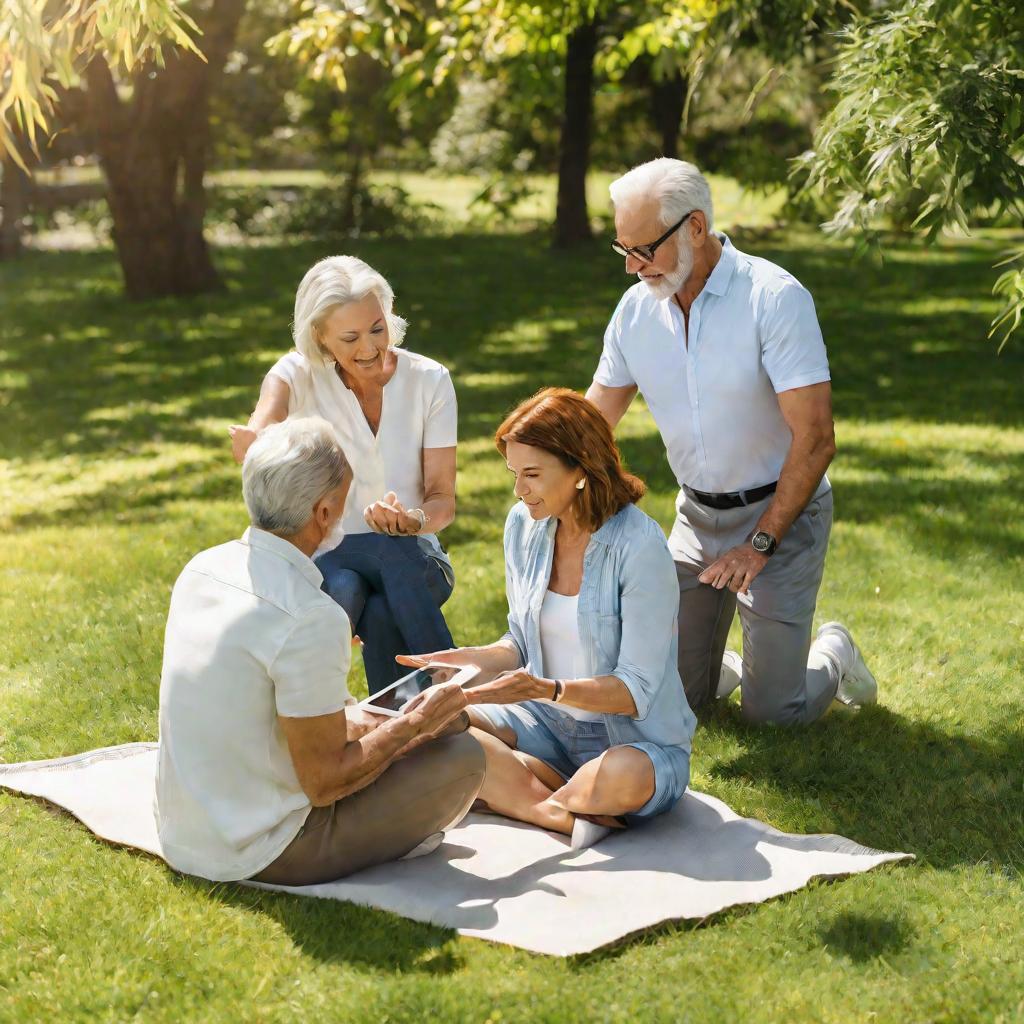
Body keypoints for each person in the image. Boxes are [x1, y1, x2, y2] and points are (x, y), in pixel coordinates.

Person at [586, 157, 877, 725]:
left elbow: (816, 439)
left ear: (695, 227)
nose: (631, 268)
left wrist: (761, 544)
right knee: (668, 696)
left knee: (773, 714)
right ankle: (737, 660)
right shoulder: (635, 311)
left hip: (782, 516)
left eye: (643, 250)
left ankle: (832, 655)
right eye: (623, 250)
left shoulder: (773, 298)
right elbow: (594, 420)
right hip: (696, 519)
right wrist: (546, 469)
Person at [155, 417, 483, 885]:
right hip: (261, 850)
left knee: (373, 726)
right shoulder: (312, 615)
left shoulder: (202, 568)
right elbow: (326, 783)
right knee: (463, 758)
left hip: (183, 833)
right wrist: (416, 722)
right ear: (325, 514)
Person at [401, 388, 696, 849]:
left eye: (532, 475)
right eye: (514, 474)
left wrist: (548, 688)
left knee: (621, 776)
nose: (520, 490)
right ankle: (560, 809)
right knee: (433, 725)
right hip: (543, 725)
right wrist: (469, 661)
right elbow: (521, 641)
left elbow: (634, 691)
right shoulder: (524, 524)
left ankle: (522, 790)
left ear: (580, 468)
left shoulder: (639, 546)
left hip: (631, 741)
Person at [229, 255, 457, 693]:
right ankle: (447, 692)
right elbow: (267, 414)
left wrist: (413, 521)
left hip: (418, 560)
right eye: (350, 337)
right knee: (367, 600)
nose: (370, 348)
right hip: (331, 561)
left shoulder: (430, 380)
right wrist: (256, 437)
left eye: (377, 328)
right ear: (319, 336)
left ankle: (405, 706)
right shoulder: (297, 373)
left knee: (391, 555)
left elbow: (442, 498)